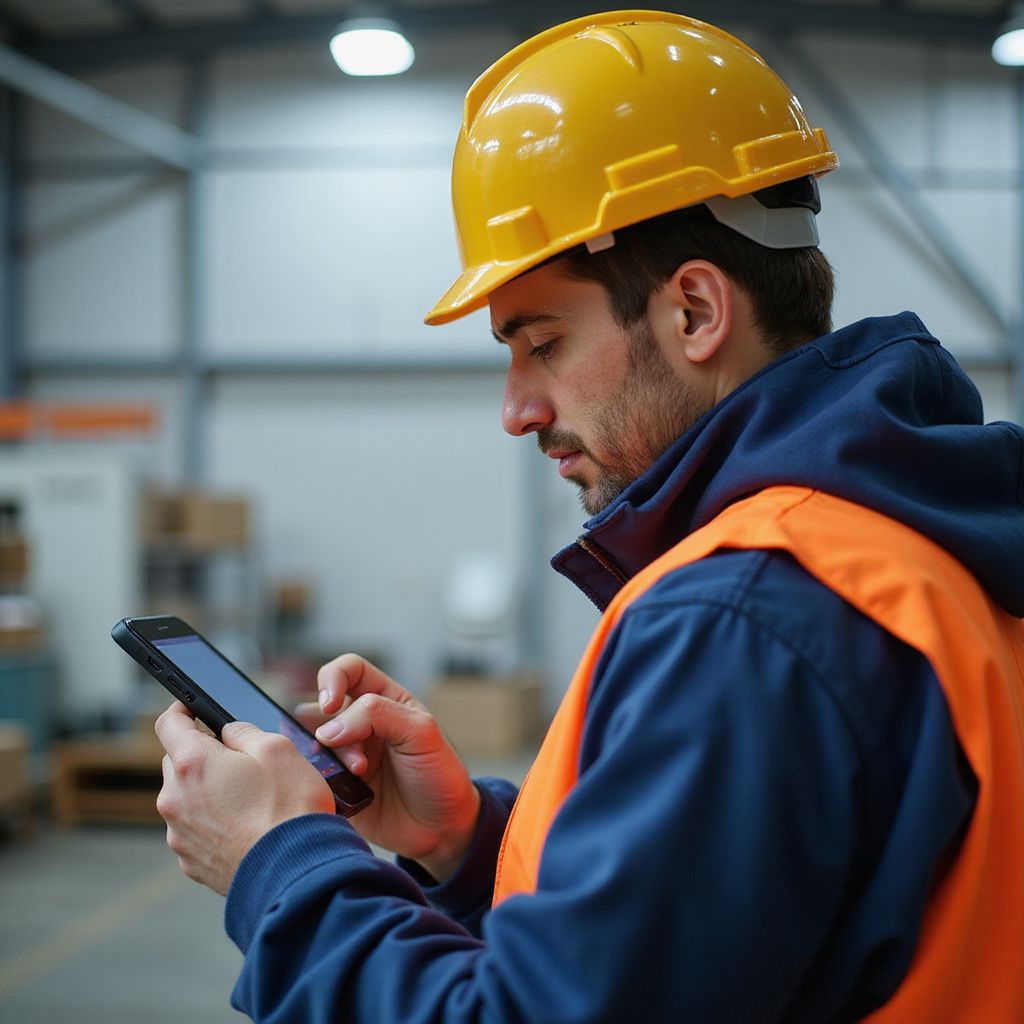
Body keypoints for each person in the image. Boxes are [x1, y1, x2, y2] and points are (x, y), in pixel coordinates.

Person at [154, 11, 1024, 1023]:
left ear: (693, 311)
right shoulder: (909, 540)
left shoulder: (747, 616)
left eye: (543, 343)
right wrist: (468, 839)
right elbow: (758, 929)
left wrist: (280, 861)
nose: (517, 408)